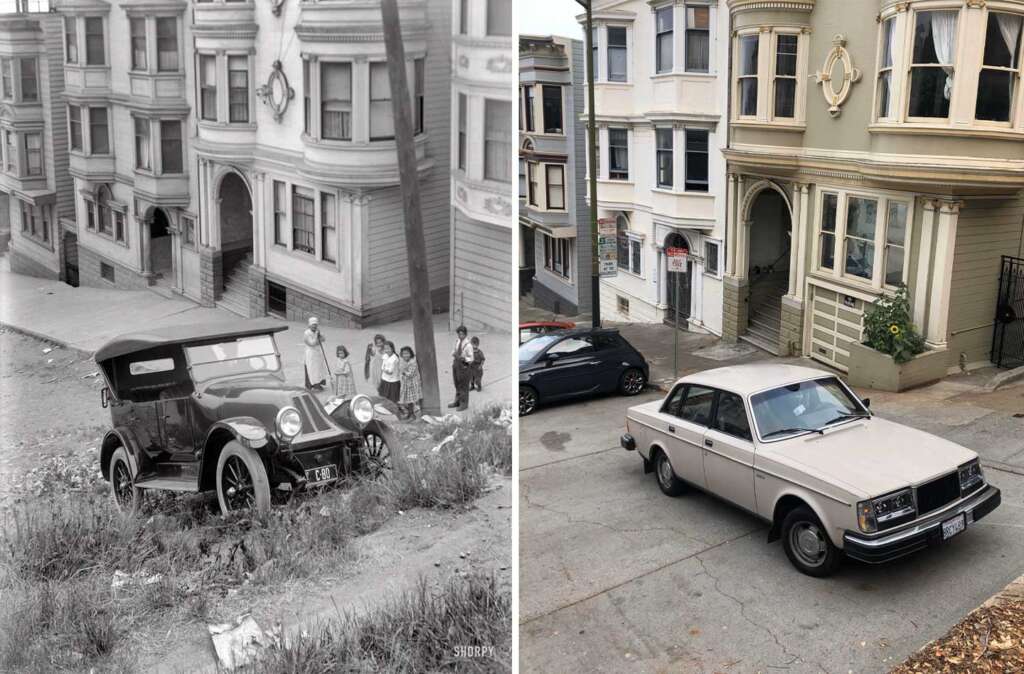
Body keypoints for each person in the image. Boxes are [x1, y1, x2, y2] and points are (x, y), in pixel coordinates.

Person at [449, 325, 473, 411]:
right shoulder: (458, 341)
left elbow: (471, 359)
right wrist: (454, 353)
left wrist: (464, 358)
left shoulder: (468, 345)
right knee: (457, 383)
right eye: (459, 334)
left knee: (463, 385)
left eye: (462, 334)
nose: (460, 336)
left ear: (466, 334)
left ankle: (464, 403)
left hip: (464, 366)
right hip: (456, 364)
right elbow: (454, 350)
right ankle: (457, 400)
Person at [303, 317, 329, 391]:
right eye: (313, 325)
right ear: (309, 325)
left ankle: (318, 384)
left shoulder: (317, 331)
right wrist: (318, 339)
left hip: (318, 353)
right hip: (310, 354)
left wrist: (320, 336)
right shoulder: (306, 333)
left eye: (315, 325)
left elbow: (324, 339)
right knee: (311, 369)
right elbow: (311, 343)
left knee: (319, 369)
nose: (314, 326)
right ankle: (311, 385)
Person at [398, 346, 423, 419]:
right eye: (403, 354)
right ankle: (410, 413)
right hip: (405, 384)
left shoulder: (413, 362)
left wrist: (403, 372)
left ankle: (414, 415)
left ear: (411, 354)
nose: (405, 355)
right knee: (407, 400)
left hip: (412, 384)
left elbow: (410, 374)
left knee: (412, 400)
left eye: (407, 353)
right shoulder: (403, 362)